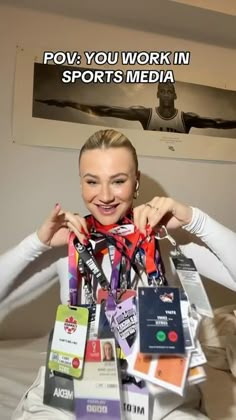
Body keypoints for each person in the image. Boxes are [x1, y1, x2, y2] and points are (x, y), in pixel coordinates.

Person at [0, 129, 236, 420]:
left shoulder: (163, 237)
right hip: (72, 393)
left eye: (119, 181)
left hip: (158, 398)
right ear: (81, 183)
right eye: (92, 182)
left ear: (136, 181)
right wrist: (37, 243)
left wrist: (195, 220)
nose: (105, 196)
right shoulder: (70, 241)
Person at [37, 82, 236, 133]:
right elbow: (106, 110)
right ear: (158, 94)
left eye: (169, 91)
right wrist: (67, 102)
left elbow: (217, 123)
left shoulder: (186, 118)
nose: (166, 94)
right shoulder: (145, 113)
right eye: (162, 91)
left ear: (175, 95)